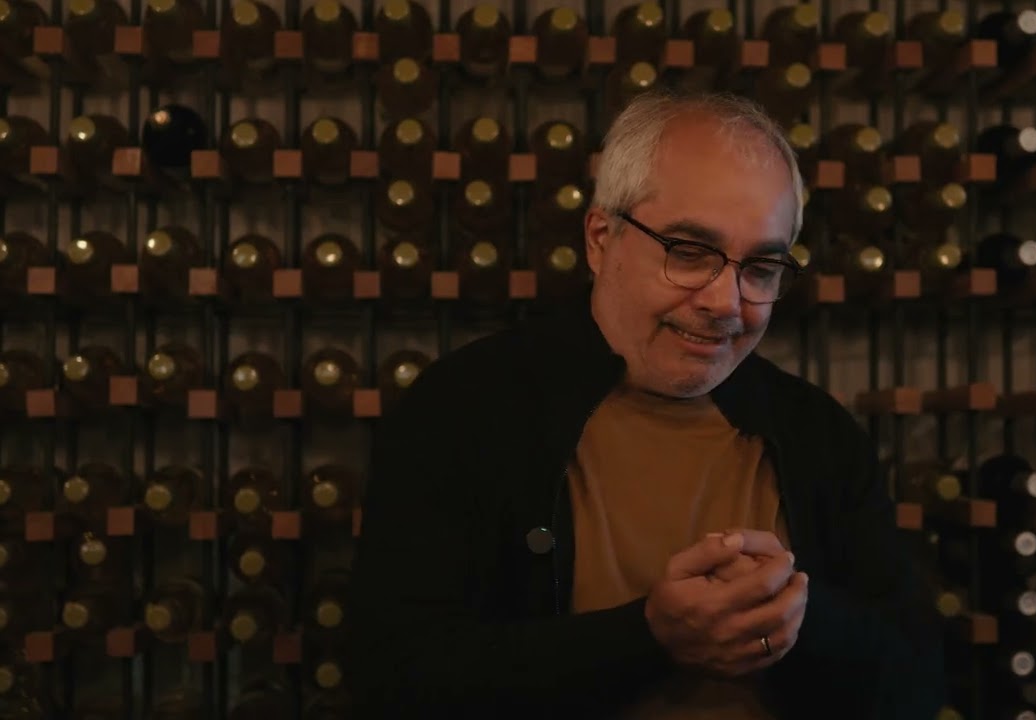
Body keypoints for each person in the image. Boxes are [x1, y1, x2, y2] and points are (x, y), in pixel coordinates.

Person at [346, 90, 945, 719]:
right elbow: (395, 681)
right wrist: (648, 636)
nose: (727, 302)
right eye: (689, 253)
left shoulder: (817, 431)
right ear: (602, 239)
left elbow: (917, 684)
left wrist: (802, 615)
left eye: (761, 268)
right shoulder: (463, 410)